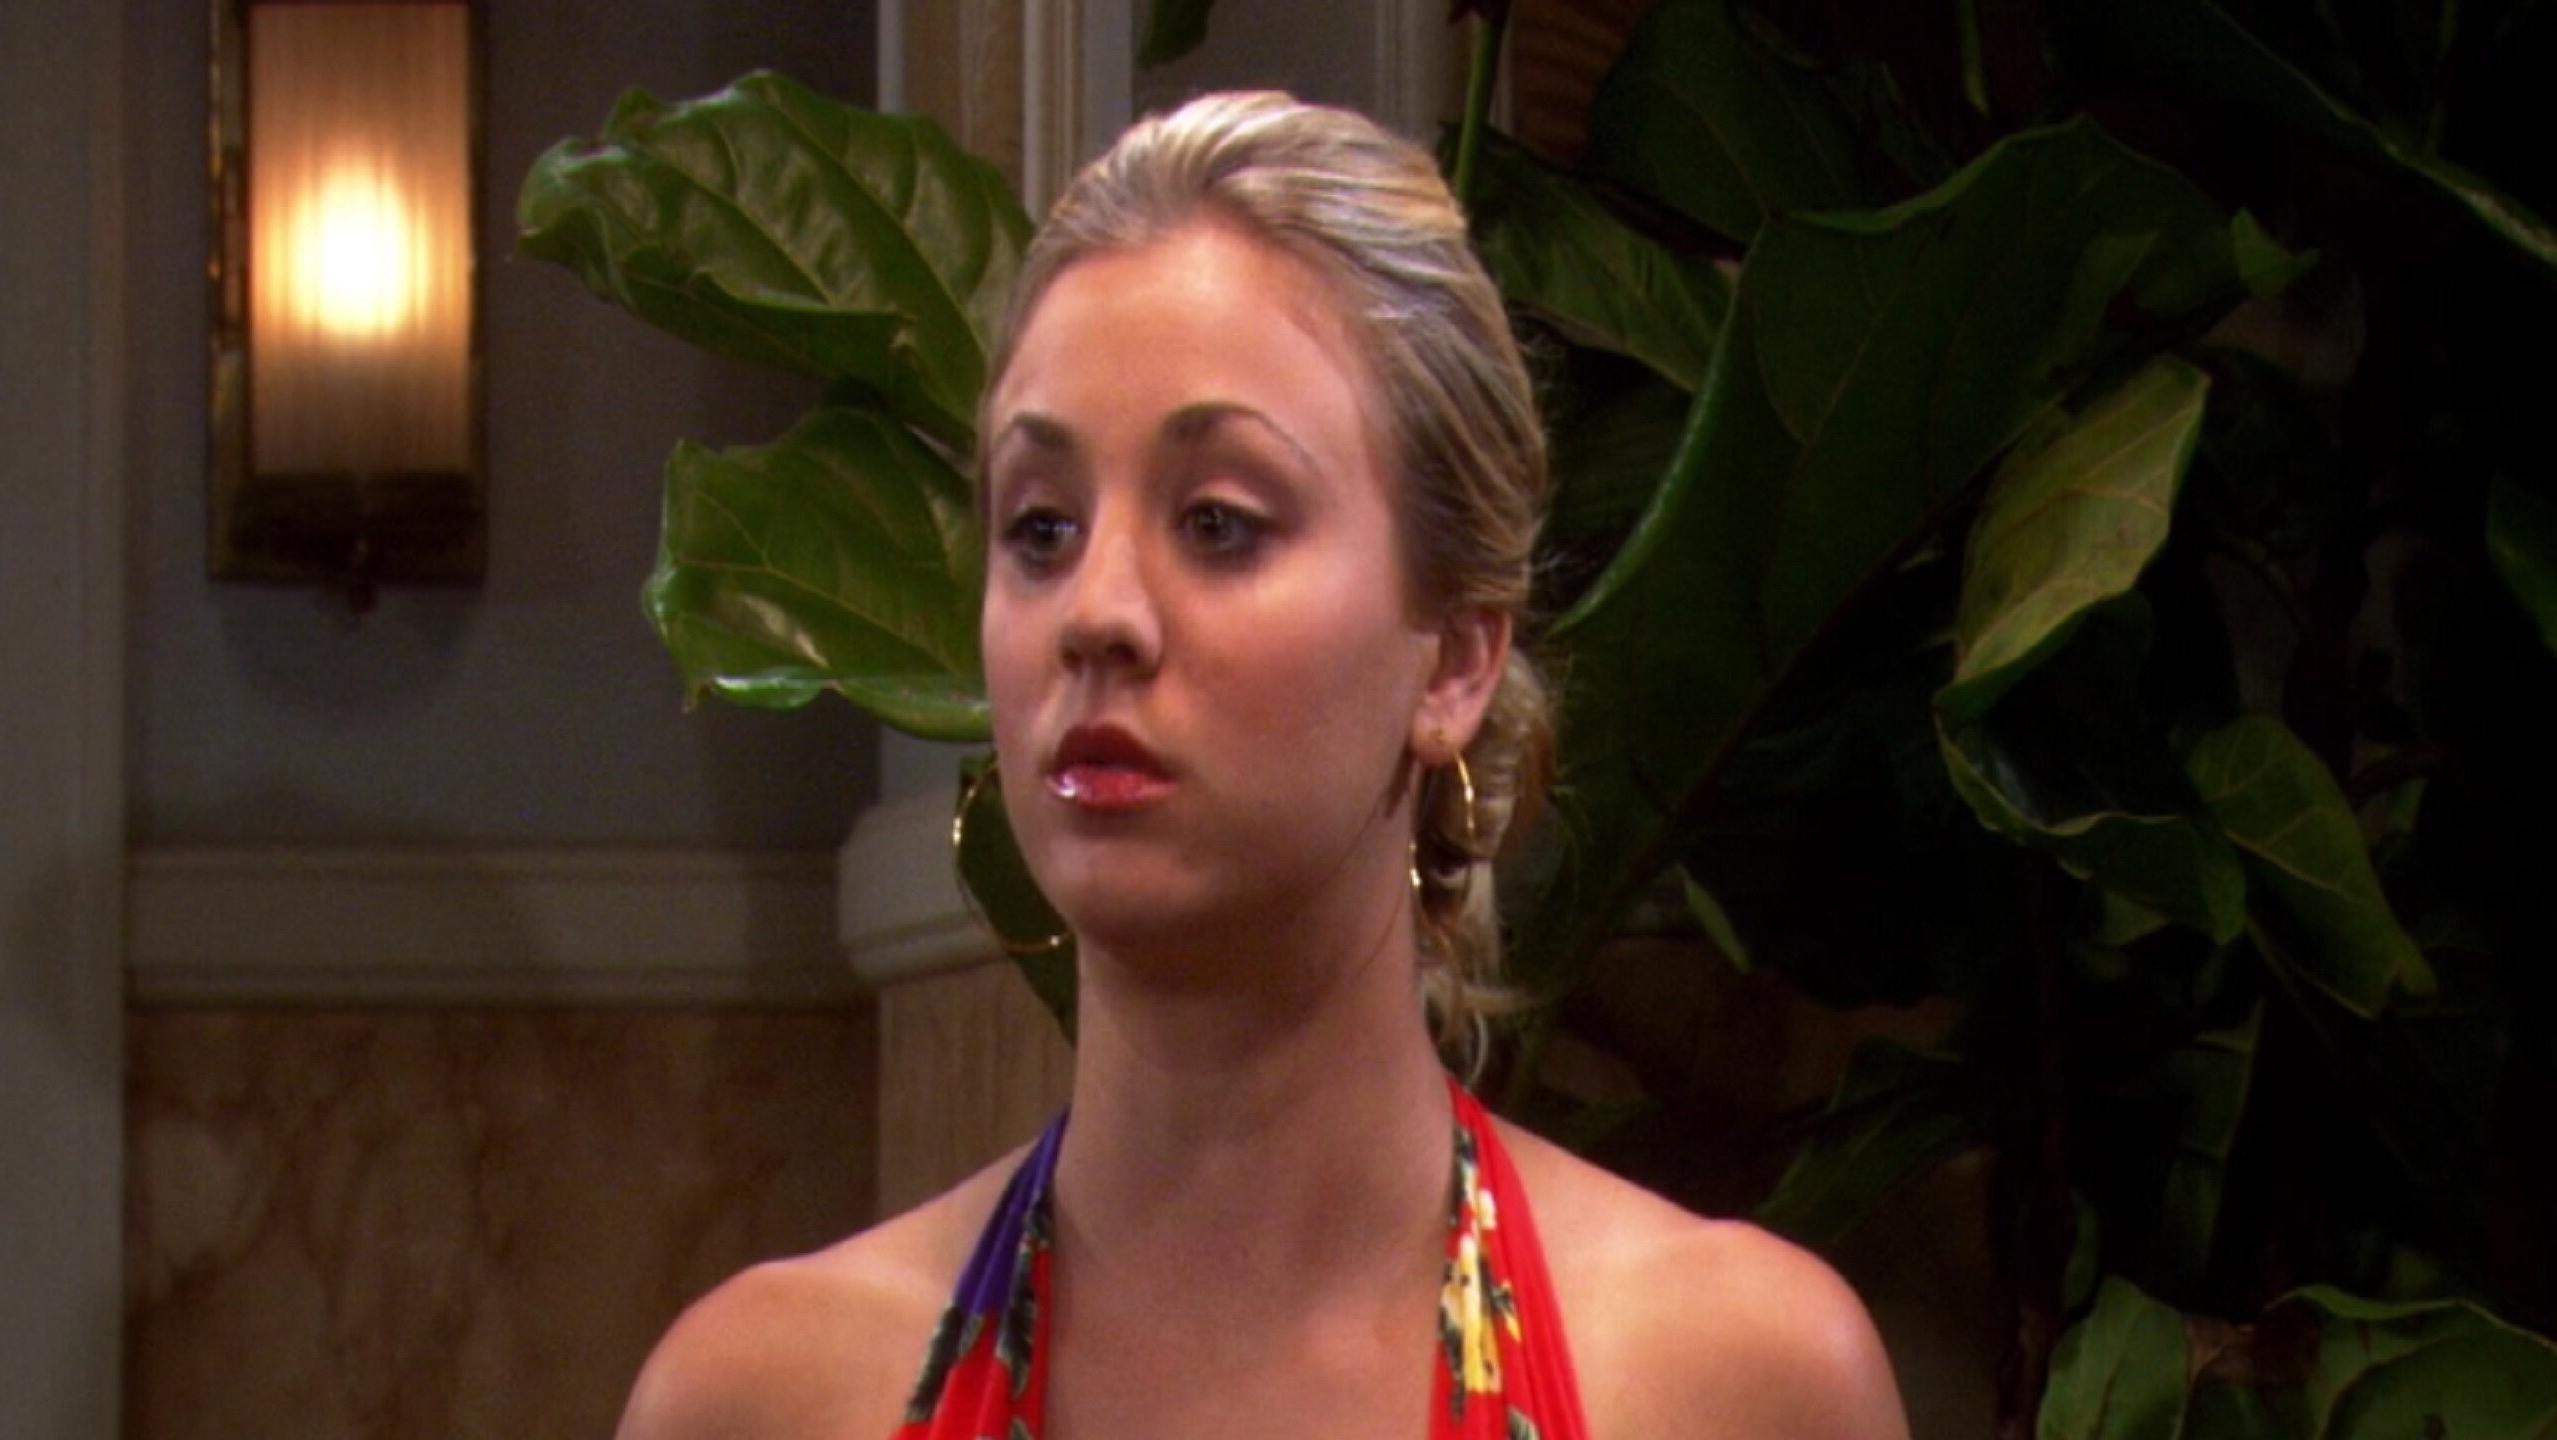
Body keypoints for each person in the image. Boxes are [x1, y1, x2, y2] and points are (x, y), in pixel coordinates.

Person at [615, 91, 1909, 1440]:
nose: (1097, 613)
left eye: (1220, 523)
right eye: (1042, 529)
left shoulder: (1729, 1381)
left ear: (1456, 657)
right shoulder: (771, 1395)